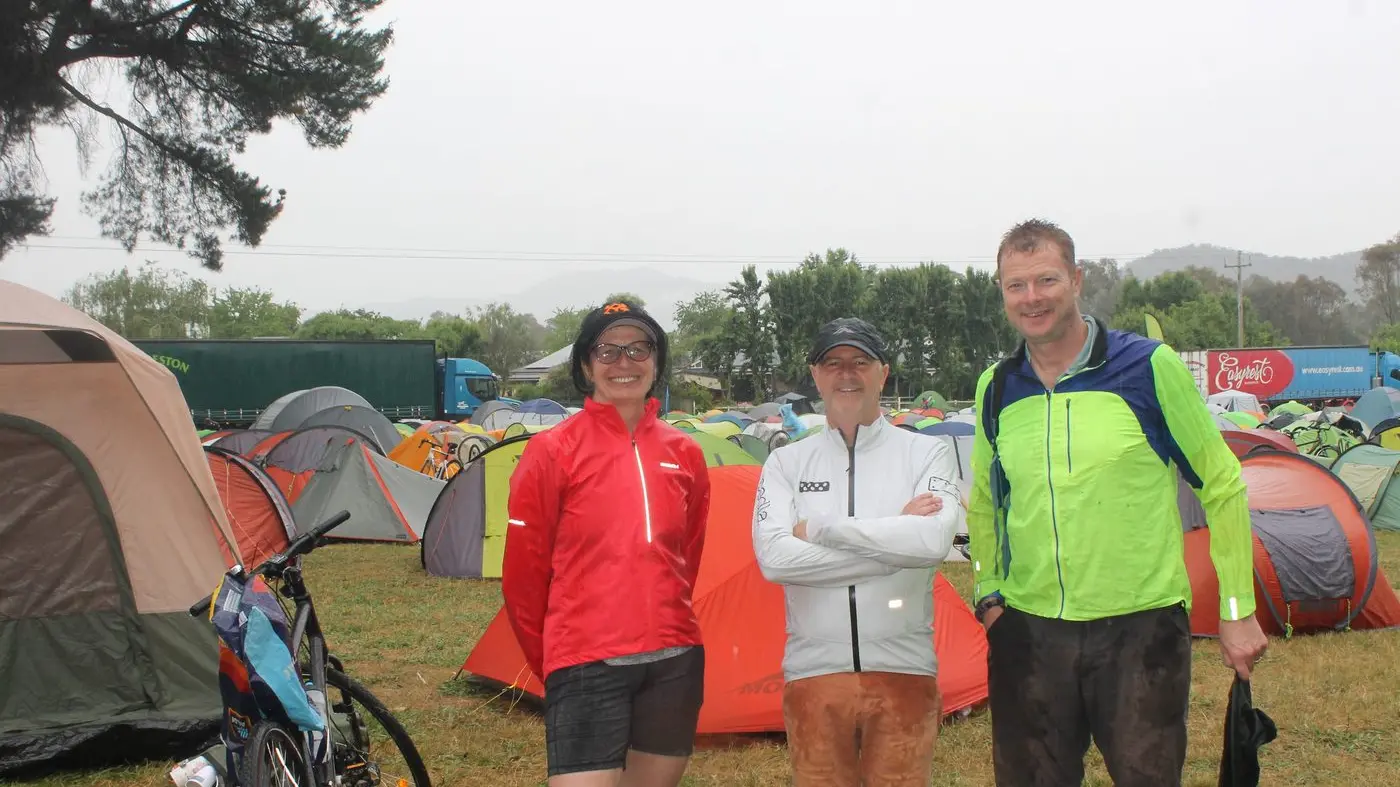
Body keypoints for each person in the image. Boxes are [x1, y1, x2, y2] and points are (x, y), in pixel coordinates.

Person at [967, 219, 1269, 787]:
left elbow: (1222, 484)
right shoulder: (997, 386)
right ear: (1003, 293)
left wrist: (1236, 609)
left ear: (1076, 280)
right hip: (1029, 631)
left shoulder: (1149, 368)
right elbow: (986, 499)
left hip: (1141, 631)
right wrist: (988, 593)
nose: (1032, 298)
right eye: (1016, 285)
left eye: (1046, 279)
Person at [501, 300, 712, 787]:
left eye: (639, 349)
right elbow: (524, 578)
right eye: (608, 350)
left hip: (674, 660)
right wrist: (555, 659)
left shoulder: (686, 452)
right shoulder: (552, 451)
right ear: (584, 365)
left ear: (657, 363)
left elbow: (689, 556)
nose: (624, 363)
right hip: (584, 661)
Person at [752, 317, 965, 786]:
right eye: (833, 363)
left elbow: (932, 542)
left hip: (905, 670)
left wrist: (821, 527)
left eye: (860, 362)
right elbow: (775, 559)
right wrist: (895, 538)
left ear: (883, 373)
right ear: (815, 374)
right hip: (812, 674)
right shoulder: (786, 461)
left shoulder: (926, 453)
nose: (846, 374)